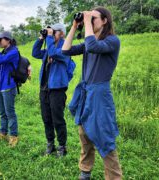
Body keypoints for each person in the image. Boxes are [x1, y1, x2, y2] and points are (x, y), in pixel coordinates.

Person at [62, 7, 122, 180]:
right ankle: (85, 172)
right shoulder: (89, 43)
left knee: (105, 138)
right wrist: (75, 26)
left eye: (94, 18)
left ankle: (114, 177)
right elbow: (65, 51)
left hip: (100, 95)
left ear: (105, 21)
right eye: (89, 18)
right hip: (86, 93)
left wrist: (86, 22)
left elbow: (93, 46)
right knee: (84, 135)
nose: (90, 20)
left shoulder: (112, 41)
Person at [32, 23, 74, 157]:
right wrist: (41, 38)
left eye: (54, 31)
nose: (51, 33)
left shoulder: (66, 48)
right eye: (51, 32)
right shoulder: (49, 46)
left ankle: (62, 147)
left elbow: (53, 53)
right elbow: (35, 53)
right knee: (46, 118)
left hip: (57, 90)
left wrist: (49, 38)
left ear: (61, 33)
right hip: (44, 88)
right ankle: (50, 144)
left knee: (58, 119)